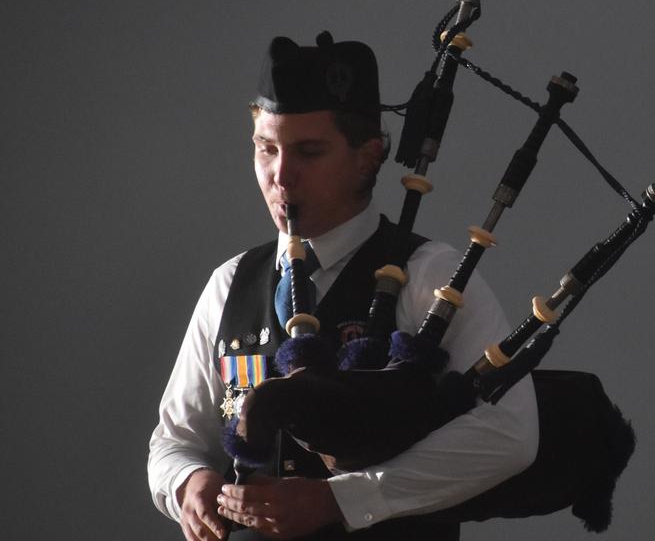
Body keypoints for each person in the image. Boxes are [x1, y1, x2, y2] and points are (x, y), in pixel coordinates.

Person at [148, 32, 538, 540]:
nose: (280, 176)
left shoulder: (430, 275)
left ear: (368, 156)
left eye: (308, 152)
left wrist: (342, 500)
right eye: (266, 149)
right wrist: (188, 482)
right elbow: (174, 439)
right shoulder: (230, 283)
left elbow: (507, 434)